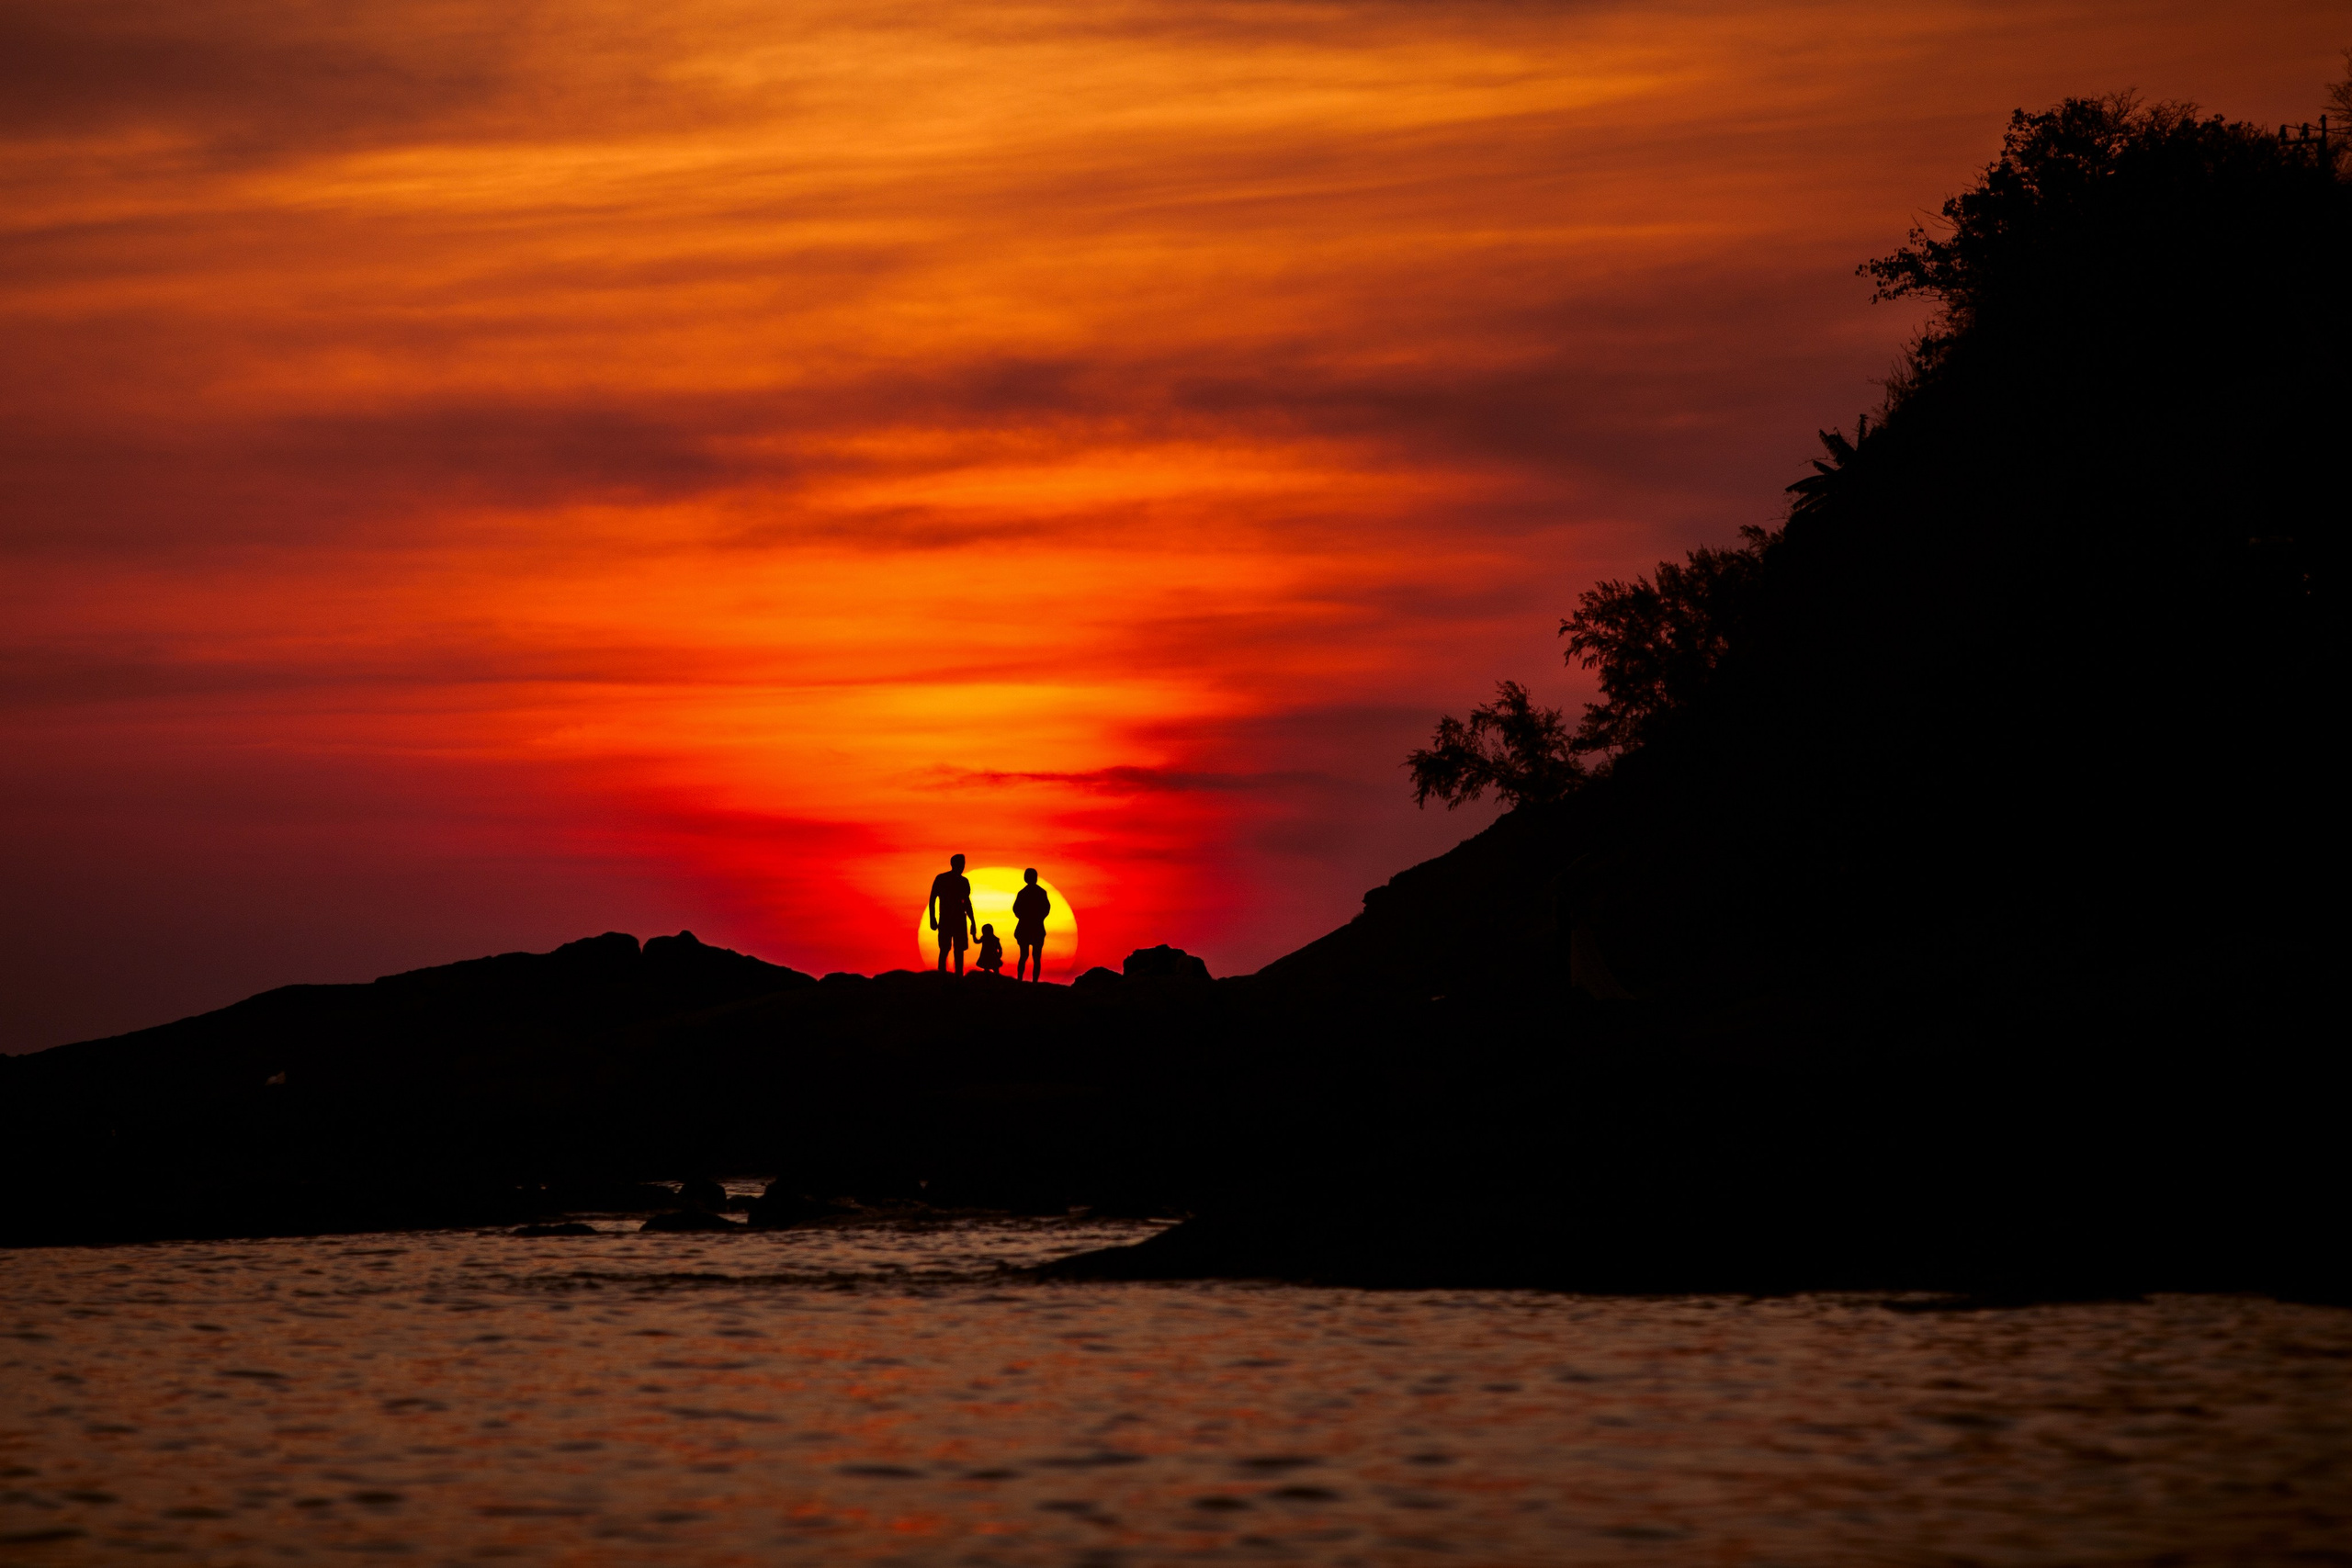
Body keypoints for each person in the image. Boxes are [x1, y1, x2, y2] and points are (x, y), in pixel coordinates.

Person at [929, 853, 976, 975]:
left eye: (963, 864)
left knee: (959, 950)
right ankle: (942, 974)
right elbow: (932, 899)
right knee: (945, 948)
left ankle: (958, 975)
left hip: (959, 919)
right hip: (946, 919)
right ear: (953, 864)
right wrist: (932, 918)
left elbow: (967, 902)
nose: (962, 866)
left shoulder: (964, 881)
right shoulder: (941, 879)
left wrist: (973, 921)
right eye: (960, 864)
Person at [1012, 867, 1051, 981]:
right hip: (1035, 927)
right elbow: (1046, 908)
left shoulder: (1023, 893)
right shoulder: (1041, 892)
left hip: (1028, 927)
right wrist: (1038, 918)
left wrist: (1026, 918)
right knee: (1035, 957)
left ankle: (1021, 979)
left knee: (1025, 956)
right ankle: (1032, 981)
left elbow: (1016, 909)